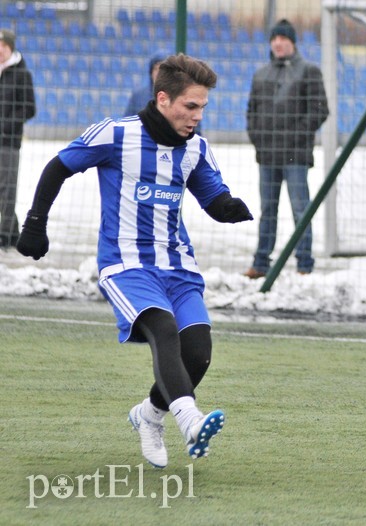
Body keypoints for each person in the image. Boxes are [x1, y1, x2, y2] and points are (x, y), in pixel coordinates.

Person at [16, 54, 253, 468]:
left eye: (203, 108)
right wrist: (36, 223)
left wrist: (228, 207)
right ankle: (190, 420)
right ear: (163, 99)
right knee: (164, 330)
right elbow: (57, 167)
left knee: (198, 354)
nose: (197, 116)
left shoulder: (196, 148)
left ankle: (149, 416)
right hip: (126, 265)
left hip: (178, 267)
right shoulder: (116, 133)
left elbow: (212, 195)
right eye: (190, 106)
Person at [245, 18, 329, 278]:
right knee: (267, 210)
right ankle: (261, 263)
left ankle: (304, 264)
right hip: (267, 155)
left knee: (300, 209)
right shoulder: (261, 74)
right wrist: (259, 139)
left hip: (295, 155)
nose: (278, 43)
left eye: (284, 39)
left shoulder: (309, 71)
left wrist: (294, 139)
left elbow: (319, 111)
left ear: (292, 42)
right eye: (275, 39)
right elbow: (252, 113)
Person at [0, 29, 35, 249]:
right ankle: (12, 233)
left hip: (9, 141)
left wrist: (7, 126)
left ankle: (4, 234)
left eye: (3, 46)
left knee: (7, 188)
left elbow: (30, 108)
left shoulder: (22, 74)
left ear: (10, 48)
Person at [125, 50, 204, 135]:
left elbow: (196, 130)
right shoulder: (138, 96)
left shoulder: (185, 95)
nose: (159, 74)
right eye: (156, 69)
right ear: (151, 72)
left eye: (164, 70)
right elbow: (127, 125)